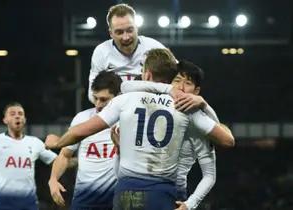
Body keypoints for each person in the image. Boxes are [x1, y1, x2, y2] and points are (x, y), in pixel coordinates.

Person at [45, 48, 234, 210]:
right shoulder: (185, 107)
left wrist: (58, 142)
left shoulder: (125, 99)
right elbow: (227, 140)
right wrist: (202, 105)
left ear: (147, 75)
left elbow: (80, 131)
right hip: (162, 193)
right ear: (171, 78)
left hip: (125, 190)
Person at [118, 60, 235, 210]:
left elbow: (211, 173)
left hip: (173, 193)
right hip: (138, 185)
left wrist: (189, 205)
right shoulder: (156, 104)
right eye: (177, 81)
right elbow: (125, 86)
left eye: (188, 83)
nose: (180, 87)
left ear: (196, 91)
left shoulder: (196, 119)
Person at [47, 71, 122, 210]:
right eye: (96, 98)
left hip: (117, 201)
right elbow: (64, 155)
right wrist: (53, 179)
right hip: (84, 200)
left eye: (104, 99)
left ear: (118, 98)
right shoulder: (82, 119)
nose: (98, 104)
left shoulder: (127, 123)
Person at [87, 3, 176, 102]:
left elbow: (179, 74)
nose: (126, 37)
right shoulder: (101, 52)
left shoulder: (153, 46)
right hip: (113, 107)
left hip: (150, 105)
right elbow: (92, 92)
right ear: (111, 33)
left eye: (130, 30)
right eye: (119, 32)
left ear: (137, 28)